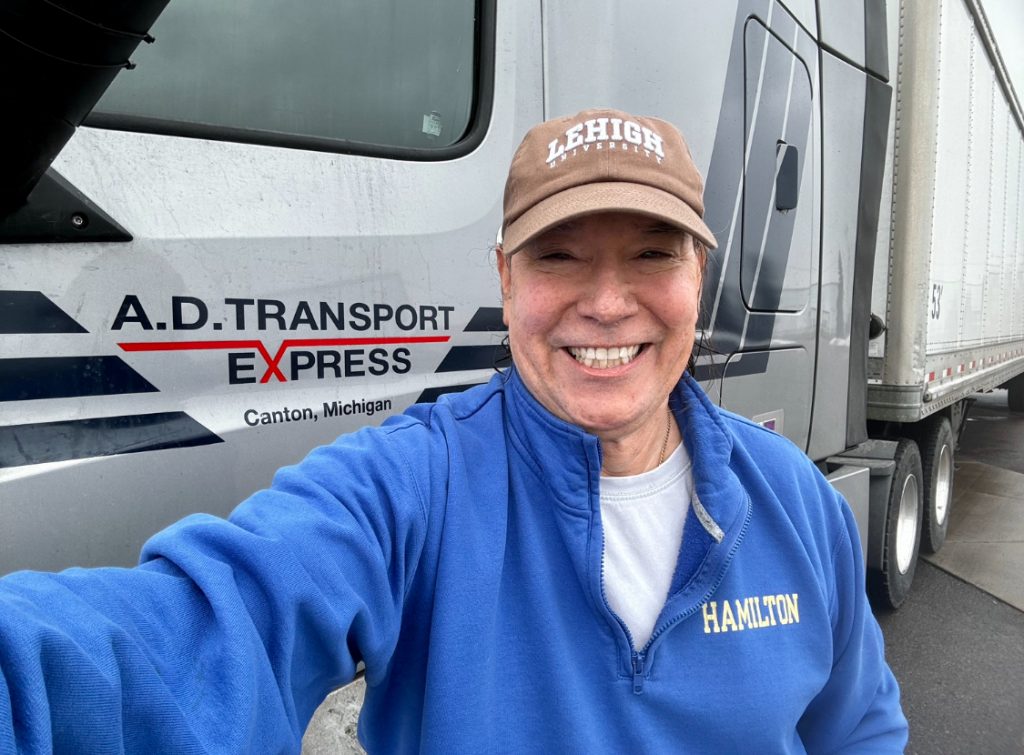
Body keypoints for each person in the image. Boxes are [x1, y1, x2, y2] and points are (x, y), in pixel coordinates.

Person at [0, 108, 907, 753]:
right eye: (559, 255)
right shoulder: (414, 485)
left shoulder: (793, 498)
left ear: (697, 274)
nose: (606, 301)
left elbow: (859, 728)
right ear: (506, 280)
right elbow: (204, 626)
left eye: (650, 253)